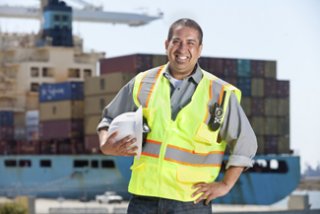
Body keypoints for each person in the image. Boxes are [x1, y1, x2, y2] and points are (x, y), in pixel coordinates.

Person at [97, 18, 257, 214]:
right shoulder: (143, 82)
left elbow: (246, 142)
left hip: (190, 203)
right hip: (144, 200)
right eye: (176, 41)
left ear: (200, 49)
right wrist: (105, 144)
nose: (182, 49)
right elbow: (108, 118)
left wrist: (225, 185)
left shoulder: (220, 94)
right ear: (166, 45)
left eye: (190, 43)